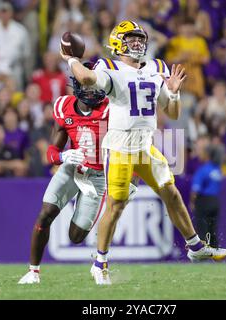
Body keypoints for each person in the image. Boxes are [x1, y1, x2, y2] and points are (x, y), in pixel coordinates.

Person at [60, 20, 226, 285]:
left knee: (171, 192)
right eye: (131, 38)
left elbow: (173, 113)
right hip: (119, 145)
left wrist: (173, 94)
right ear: (118, 42)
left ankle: (195, 247)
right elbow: (85, 78)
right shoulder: (110, 66)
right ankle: (99, 262)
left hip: (145, 144)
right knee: (116, 205)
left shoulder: (156, 67)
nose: (138, 43)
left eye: (140, 39)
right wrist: (71, 59)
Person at [18, 62, 138, 284]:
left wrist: (127, 175)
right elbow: (53, 151)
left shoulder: (112, 108)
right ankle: (33, 272)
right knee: (45, 213)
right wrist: (63, 157)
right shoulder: (64, 106)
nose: (94, 88)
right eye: (89, 83)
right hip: (74, 167)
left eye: (96, 83)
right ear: (77, 84)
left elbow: (130, 142)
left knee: (76, 236)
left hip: (100, 175)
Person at [190, 144, 223, 248]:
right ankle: (215, 252)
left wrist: (192, 202)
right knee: (213, 229)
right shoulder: (217, 169)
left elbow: (195, 189)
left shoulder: (203, 170)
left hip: (203, 201)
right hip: (215, 201)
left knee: (202, 229)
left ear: (207, 155)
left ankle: (202, 254)